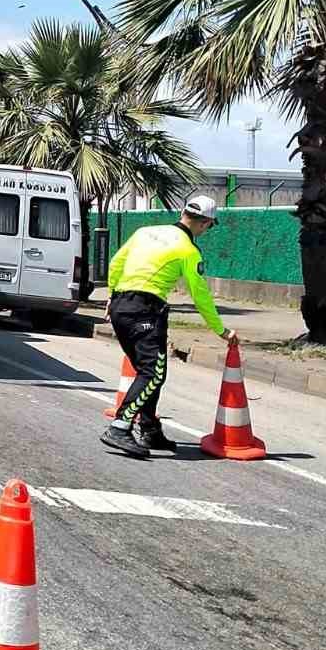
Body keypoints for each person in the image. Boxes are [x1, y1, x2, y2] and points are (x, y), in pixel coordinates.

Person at [100, 195, 239, 459]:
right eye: (210, 226)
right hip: (146, 310)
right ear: (206, 223)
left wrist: (111, 295)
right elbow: (201, 295)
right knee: (153, 373)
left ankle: (150, 429)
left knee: (146, 370)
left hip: (120, 306)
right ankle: (120, 426)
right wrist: (221, 330)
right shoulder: (188, 250)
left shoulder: (145, 232)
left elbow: (117, 262)